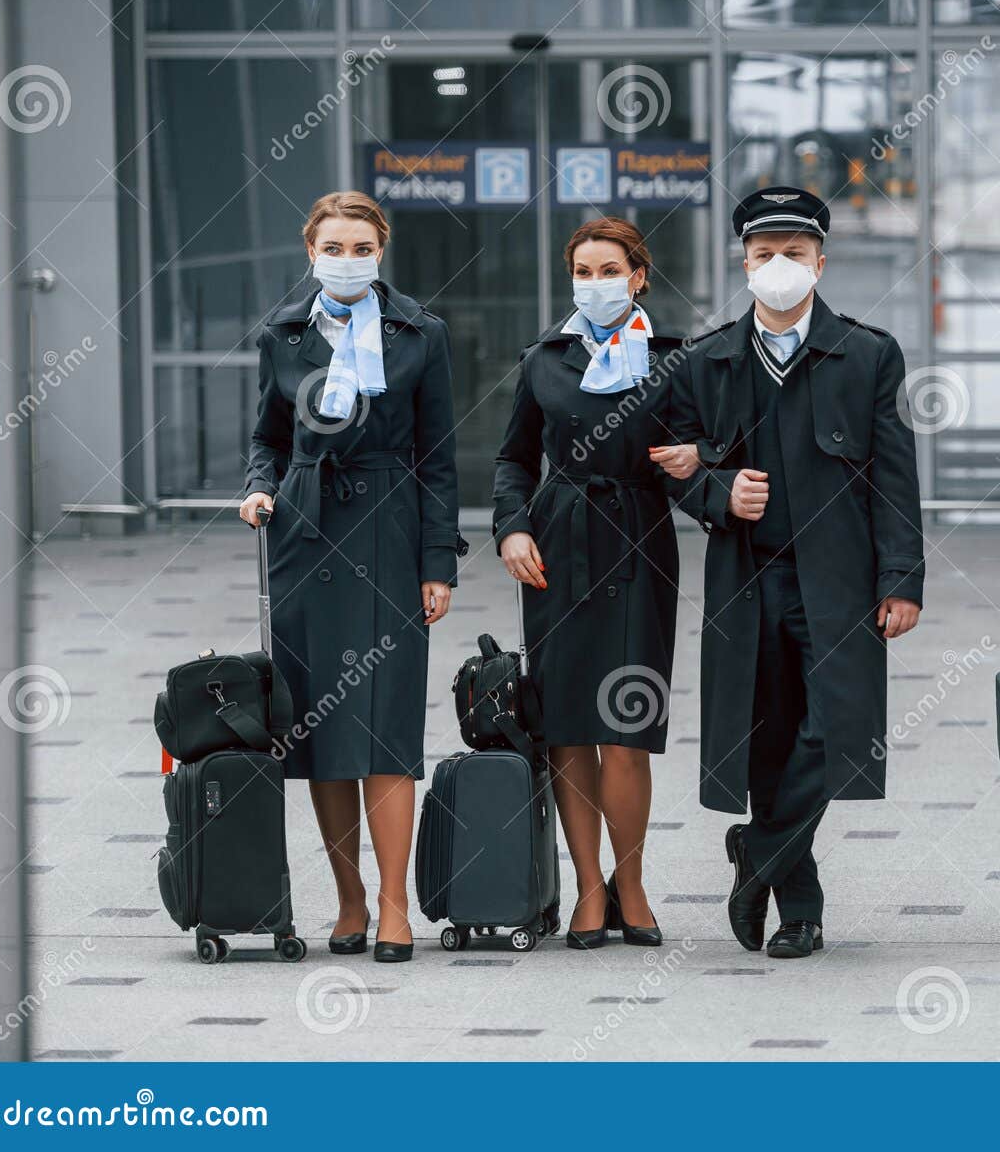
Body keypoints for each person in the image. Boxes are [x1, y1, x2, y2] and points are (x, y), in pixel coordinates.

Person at [654, 186, 924, 959]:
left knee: (836, 730)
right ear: (744, 263)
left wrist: (901, 576)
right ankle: (800, 912)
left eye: (795, 254)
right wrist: (715, 490)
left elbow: (893, 474)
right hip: (749, 580)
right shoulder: (704, 361)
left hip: (838, 581)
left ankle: (758, 851)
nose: (780, 267)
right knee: (766, 738)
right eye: (765, 254)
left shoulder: (869, 353)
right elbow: (669, 464)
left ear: (821, 262)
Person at [240, 190, 464, 963]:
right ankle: (349, 898)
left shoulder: (420, 332)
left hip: (389, 525)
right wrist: (258, 486)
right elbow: (266, 436)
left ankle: (397, 904)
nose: (345, 259)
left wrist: (439, 563)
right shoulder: (282, 330)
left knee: (388, 724)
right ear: (311, 249)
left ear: (382, 249)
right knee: (321, 731)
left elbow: (438, 455)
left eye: (359, 247)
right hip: (306, 529)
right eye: (332, 247)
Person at [493, 217, 693, 950]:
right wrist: (511, 526)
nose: (595, 282)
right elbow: (513, 459)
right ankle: (586, 886)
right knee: (570, 726)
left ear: (639, 275)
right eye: (583, 270)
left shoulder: (675, 359)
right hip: (557, 543)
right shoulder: (543, 358)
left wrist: (699, 458)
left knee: (628, 729)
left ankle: (630, 882)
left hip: (640, 539)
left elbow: (712, 444)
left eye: (610, 269)